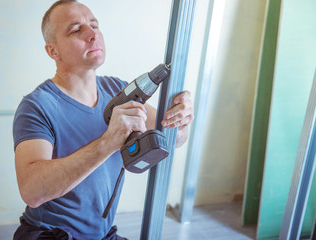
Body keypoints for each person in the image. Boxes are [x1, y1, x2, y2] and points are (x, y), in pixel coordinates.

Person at [12, 0, 194, 239]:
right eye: (76, 29)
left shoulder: (119, 90)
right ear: (53, 51)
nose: (92, 34)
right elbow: (31, 191)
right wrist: (108, 142)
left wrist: (180, 119)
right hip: (49, 234)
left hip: (103, 234)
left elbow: (174, 138)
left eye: (95, 25)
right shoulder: (37, 106)